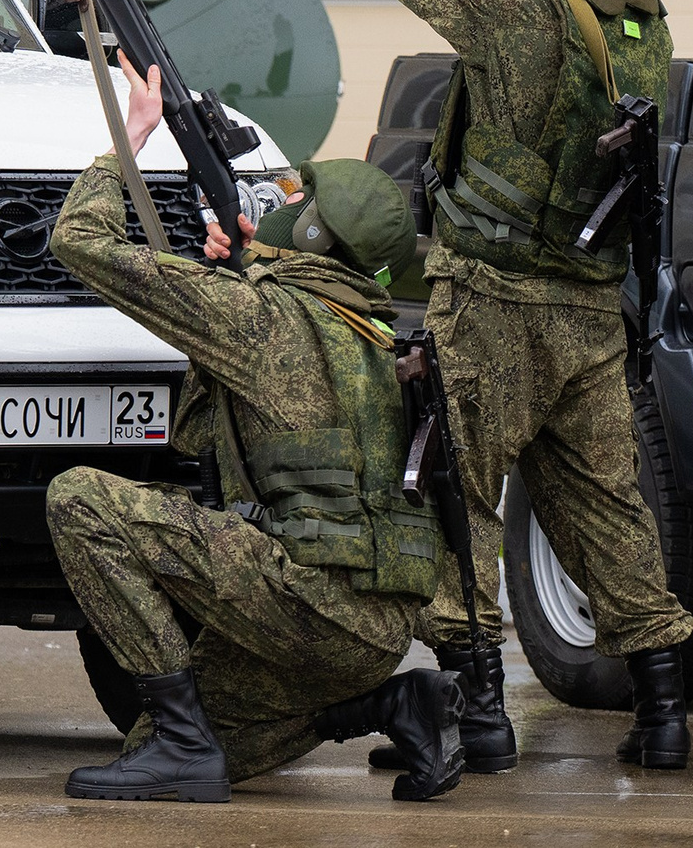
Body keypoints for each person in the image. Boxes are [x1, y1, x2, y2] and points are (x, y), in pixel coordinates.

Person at [354, 0, 693, 773]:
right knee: (607, 505)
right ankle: (662, 711)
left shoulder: (518, 7)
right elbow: (534, 57)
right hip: (585, 310)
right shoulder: (642, 24)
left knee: (456, 493)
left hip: (491, 300)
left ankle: (478, 717)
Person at [45, 56, 466, 806]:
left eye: (297, 200)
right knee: (170, 742)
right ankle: (393, 703)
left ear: (314, 231)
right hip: (377, 630)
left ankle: (182, 744)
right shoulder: (377, 334)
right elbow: (211, 427)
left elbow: (79, 239)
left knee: (78, 499)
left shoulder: (261, 317)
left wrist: (130, 139)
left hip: (307, 604)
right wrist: (249, 271)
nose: (283, 201)